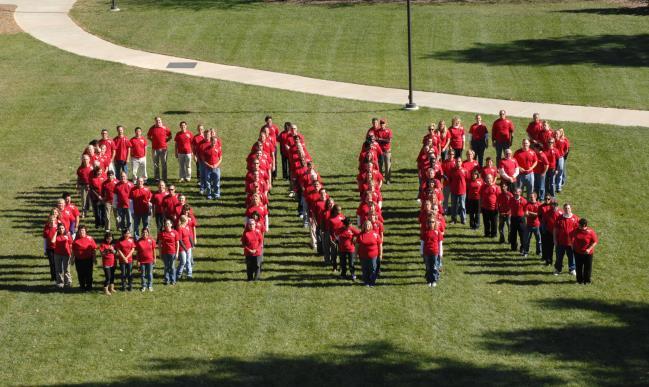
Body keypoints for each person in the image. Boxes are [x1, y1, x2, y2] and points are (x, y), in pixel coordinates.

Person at [554, 203, 579, 276]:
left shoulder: (575, 218)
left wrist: (576, 242)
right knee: (559, 257)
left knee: (571, 256)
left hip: (571, 243)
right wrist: (555, 240)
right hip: (560, 242)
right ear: (563, 209)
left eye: (568, 208)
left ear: (571, 209)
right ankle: (558, 269)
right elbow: (555, 230)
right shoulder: (559, 218)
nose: (567, 210)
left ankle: (572, 269)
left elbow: (578, 231)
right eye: (565, 208)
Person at [571, 218, 598, 284]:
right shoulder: (576, 231)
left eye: (579, 225)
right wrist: (572, 245)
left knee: (587, 267)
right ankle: (579, 280)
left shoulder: (590, 232)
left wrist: (589, 249)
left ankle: (587, 281)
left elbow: (595, 241)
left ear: (584, 225)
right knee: (578, 267)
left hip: (588, 253)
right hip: (577, 252)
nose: (578, 226)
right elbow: (570, 237)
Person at [71, 225, 96, 292]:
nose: (82, 232)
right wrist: (72, 259)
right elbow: (73, 250)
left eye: (83, 230)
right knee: (80, 273)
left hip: (88, 259)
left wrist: (94, 258)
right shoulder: (76, 240)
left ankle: (89, 286)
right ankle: (82, 286)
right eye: (80, 230)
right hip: (79, 260)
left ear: (85, 231)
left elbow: (93, 249)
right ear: (78, 232)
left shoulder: (90, 238)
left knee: (89, 273)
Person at [147, 116, 172, 182]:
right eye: (157, 121)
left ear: (161, 121)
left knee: (164, 164)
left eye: (159, 120)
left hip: (164, 149)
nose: (158, 122)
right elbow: (148, 136)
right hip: (155, 149)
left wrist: (165, 141)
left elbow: (170, 135)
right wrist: (152, 141)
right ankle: (157, 178)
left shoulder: (164, 128)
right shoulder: (152, 128)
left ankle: (164, 178)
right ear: (155, 121)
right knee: (156, 164)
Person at [357, 220, 380, 287]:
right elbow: (357, 245)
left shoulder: (375, 234)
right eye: (366, 225)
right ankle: (366, 282)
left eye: (369, 225)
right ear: (364, 226)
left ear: (371, 226)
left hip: (373, 255)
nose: (367, 226)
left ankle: (372, 282)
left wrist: (380, 254)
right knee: (365, 269)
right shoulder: (360, 235)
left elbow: (379, 244)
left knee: (373, 269)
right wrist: (355, 254)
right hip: (363, 256)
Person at [158, 219, 179, 285]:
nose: (166, 225)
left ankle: (173, 280)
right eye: (165, 224)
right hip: (164, 253)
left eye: (168, 223)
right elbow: (159, 244)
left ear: (171, 224)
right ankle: (167, 280)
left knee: (172, 267)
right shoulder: (162, 233)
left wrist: (177, 253)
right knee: (166, 267)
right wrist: (160, 253)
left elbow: (177, 243)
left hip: (172, 252)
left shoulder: (175, 232)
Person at [540, 197, 561, 266]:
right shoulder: (547, 212)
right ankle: (549, 261)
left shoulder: (561, 213)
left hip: (558, 234)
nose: (553, 206)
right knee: (549, 248)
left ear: (557, 204)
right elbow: (544, 222)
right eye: (552, 204)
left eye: (555, 204)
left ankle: (558, 262)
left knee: (559, 249)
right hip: (549, 233)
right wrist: (544, 231)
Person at [50, 223, 72, 288]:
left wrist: (71, 254)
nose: (61, 229)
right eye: (59, 228)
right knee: (58, 269)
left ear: (64, 228)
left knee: (67, 269)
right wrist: (56, 232)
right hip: (57, 254)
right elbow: (52, 241)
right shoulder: (56, 236)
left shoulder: (68, 235)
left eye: (62, 228)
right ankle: (60, 283)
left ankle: (68, 283)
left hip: (66, 254)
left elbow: (71, 244)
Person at [421, 218, 442, 287]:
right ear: (427, 223)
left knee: (434, 266)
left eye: (432, 222)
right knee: (428, 267)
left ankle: (434, 280)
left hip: (435, 252)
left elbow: (440, 243)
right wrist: (421, 252)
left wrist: (440, 253)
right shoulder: (425, 232)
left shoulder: (437, 232)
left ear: (435, 223)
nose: (431, 223)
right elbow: (422, 243)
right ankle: (428, 280)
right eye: (429, 222)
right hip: (427, 252)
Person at [447, 157, 468, 224]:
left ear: (461, 162)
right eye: (457, 161)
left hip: (462, 191)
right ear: (455, 162)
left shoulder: (465, 170)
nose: (458, 163)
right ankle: (453, 219)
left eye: (459, 161)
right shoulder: (452, 170)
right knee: (454, 206)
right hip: (454, 191)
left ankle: (463, 219)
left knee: (462, 206)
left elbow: (467, 179)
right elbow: (449, 180)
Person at [135, 227, 156, 291]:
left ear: (148, 233)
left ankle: (150, 286)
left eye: (146, 232)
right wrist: (137, 261)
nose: (145, 233)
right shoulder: (139, 241)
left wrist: (154, 258)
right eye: (143, 232)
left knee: (149, 274)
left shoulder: (151, 240)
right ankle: (143, 286)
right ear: (141, 233)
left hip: (150, 260)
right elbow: (137, 252)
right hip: (142, 261)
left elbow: (154, 250)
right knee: (143, 274)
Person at [201, 135, 222, 200]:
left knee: (217, 182)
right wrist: (209, 165)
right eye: (213, 141)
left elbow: (220, 158)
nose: (214, 143)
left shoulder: (218, 148)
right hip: (208, 169)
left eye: (215, 141)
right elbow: (203, 159)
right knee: (208, 183)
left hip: (216, 168)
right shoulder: (205, 149)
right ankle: (209, 195)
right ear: (211, 141)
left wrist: (216, 164)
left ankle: (217, 194)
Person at [480, 174, 500, 238]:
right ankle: (487, 233)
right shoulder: (483, 187)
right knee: (486, 222)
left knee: (494, 222)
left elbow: (499, 197)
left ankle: (494, 234)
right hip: (485, 207)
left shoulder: (496, 187)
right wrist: (481, 205)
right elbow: (480, 196)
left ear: (492, 179)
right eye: (487, 178)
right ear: (485, 179)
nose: (488, 180)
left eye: (490, 178)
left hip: (494, 208)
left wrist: (498, 207)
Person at [508, 188, 528, 255]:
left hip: (521, 219)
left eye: (517, 192)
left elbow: (526, 210)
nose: (516, 193)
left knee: (522, 234)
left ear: (520, 192)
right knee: (513, 234)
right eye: (515, 192)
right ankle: (513, 247)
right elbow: (509, 207)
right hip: (513, 218)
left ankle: (522, 248)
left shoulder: (524, 200)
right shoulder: (511, 199)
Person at [43, 213, 60, 284]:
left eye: (53, 220)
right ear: (49, 221)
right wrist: (45, 249)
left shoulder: (58, 228)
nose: (52, 222)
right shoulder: (46, 228)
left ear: (56, 220)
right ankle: (53, 278)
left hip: (57, 248)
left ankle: (59, 277)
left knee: (58, 263)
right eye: (51, 220)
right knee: (52, 263)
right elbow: (45, 239)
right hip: (49, 248)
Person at [375, 118, 393, 184]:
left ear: (385, 124)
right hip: (380, 152)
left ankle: (388, 179)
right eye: (381, 123)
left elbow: (389, 140)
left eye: (383, 123)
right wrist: (383, 140)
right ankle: (380, 179)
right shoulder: (377, 131)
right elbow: (376, 139)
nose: (382, 125)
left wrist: (380, 139)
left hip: (387, 151)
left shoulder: (389, 131)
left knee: (387, 166)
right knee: (380, 166)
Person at [175, 215, 194, 281]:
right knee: (183, 261)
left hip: (188, 247)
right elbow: (179, 240)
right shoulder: (179, 228)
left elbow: (189, 236)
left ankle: (189, 274)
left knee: (188, 260)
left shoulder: (187, 227)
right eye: (187, 220)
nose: (188, 221)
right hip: (182, 248)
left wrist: (192, 244)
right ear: (184, 221)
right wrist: (185, 248)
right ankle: (178, 274)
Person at [524, 192, 542, 256]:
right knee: (526, 240)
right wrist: (533, 214)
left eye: (532, 197)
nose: (531, 198)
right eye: (530, 197)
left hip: (537, 225)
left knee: (539, 240)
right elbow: (526, 214)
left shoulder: (539, 205)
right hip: (528, 225)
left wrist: (530, 213)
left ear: (535, 197)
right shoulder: (527, 204)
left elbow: (538, 214)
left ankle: (539, 252)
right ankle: (526, 252)